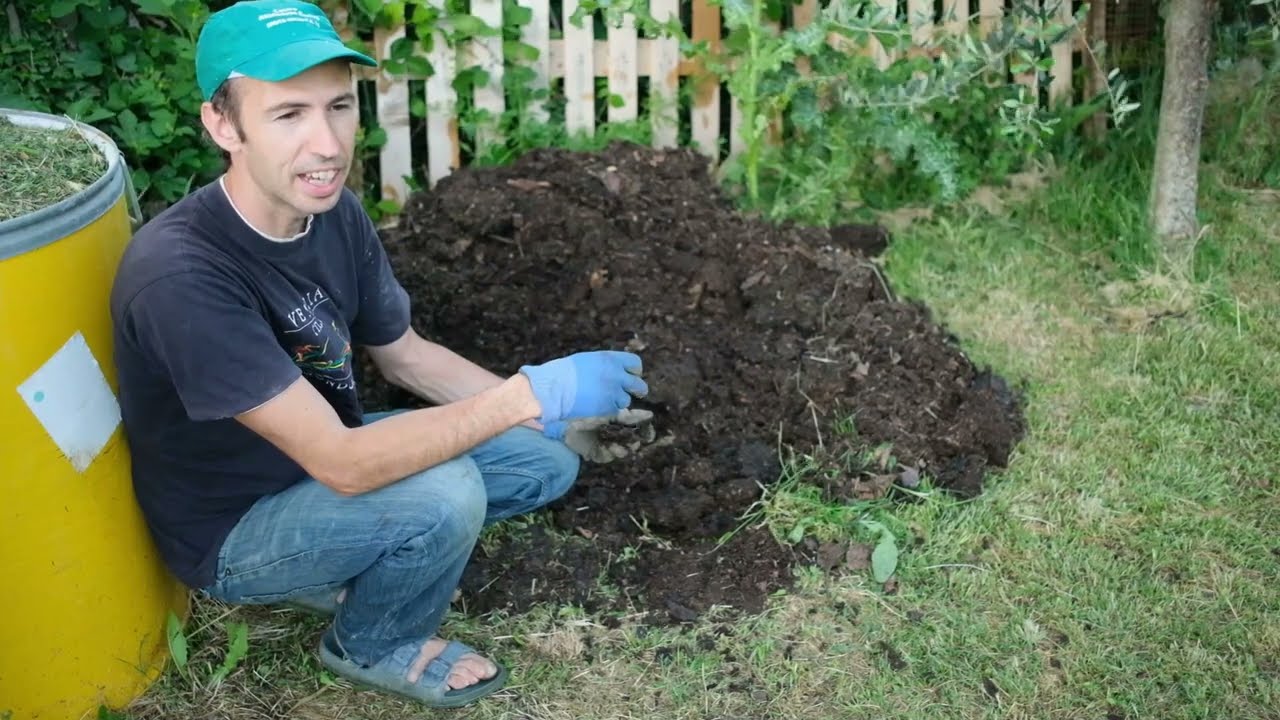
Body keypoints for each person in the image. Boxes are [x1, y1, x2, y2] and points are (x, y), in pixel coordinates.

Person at [108, 0, 649, 709]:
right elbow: (342, 462)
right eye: (288, 114)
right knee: (446, 495)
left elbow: (407, 357)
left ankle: (361, 554)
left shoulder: (329, 212)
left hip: (321, 462)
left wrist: (554, 418)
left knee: (543, 461)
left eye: (338, 107)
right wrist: (530, 393)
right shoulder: (183, 276)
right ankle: (372, 639)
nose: (328, 144)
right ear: (223, 124)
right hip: (237, 528)